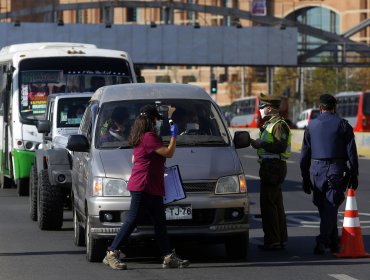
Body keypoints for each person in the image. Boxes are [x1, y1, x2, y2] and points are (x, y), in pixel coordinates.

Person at [103, 104, 190, 270]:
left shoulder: (140, 135)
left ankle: (167, 256)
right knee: (133, 220)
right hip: (143, 185)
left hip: (152, 185)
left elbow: (135, 160)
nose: (158, 122)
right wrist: (173, 134)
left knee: (159, 222)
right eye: (157, 119)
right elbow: (169, 152)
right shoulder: (149, 136)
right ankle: (111, 252)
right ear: (151, 120)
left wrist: (154, 164)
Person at [300, 94, 359, 255]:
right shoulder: (343, 125)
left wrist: (305, 177)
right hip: (336, 170)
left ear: (320, 108)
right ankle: (322, 242)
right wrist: (354, 174)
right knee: (331, 207)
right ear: (335, 108)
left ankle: (333, 243)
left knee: (325, 207)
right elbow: (352, 153)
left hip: (317, 170)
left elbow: (304, 154)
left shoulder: (311, 125)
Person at [249, 95, 291, 250]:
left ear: (269, 108)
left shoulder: (279, 125)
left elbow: (280, 146)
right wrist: (257, 144)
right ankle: (280, 238)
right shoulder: (270, 124)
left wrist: (262, 144)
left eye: (262, 106)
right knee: (276, 205)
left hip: (273, 168)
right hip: (270, 167)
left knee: (268, 206)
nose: (260, 110)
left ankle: (272, 240)